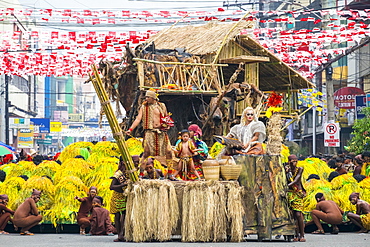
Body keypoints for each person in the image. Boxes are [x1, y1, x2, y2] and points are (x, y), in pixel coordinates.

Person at [125, 90, 173, 169]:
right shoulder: (144, 107)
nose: (146, 99)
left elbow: (166, 118)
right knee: (146, 153)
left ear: (153, 98)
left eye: (148, 97)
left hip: (161, 132)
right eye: (146, 97)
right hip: (149, 132)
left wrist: (167, 125)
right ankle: (141, 174)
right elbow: (138, 119)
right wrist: (130, 129)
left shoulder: (162, 106)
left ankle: (170, 174)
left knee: (169, 151)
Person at [285, 154, 306, 242]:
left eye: (296, 161)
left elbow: (296, 180)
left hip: (298, 193)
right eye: (293, 161)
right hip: (289, 193)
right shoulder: (286, 170)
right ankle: (296, 234)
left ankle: (302, 234)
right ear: (289, 162)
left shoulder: (299, 169)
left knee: (298, 214)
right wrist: (285, 172)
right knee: (292, 215)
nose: (295, 163)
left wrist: (287, 186)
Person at [109, 157, 129, 242]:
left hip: (124, 196)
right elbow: (111, 187)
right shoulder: (118, 174)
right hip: (117, 197)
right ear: (122, 162)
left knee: (124, 215)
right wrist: (123, 184)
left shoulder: (128, 172)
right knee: (117, 216)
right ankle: (119, 234)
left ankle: (122, 233)